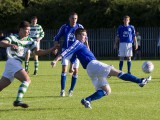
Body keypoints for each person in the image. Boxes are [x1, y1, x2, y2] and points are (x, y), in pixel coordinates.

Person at [51, 28, 151, 109]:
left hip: (91, 69)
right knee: (118, 72)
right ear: (77, 35)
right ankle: (140, 81)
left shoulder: (81, 45)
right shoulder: (77, 43)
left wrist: (72, 67)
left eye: (86, 35)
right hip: (93, 65)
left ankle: (87, 100)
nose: (86, 37)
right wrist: (56, 60)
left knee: (107, 91)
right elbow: (65, 52)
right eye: (84, 35)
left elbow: (72, 57)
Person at [0, 21, 58, 108]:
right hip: (12, 61)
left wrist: (51, 49)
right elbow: (1, 43)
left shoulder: (30, 41)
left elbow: (38, 52)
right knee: (27, 80)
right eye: (27, 30)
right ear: (21, 29)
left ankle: (18, 100)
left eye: (29, 30)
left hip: (14, 64)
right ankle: (18, 100)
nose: (28, 32)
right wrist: (10, 44)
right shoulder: (13, 37)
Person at [53, 12, 90, 97]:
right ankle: (62, 90)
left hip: (76, 51)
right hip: (66, 50)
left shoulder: (80, 27)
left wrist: (87, 46)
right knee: (64, 69)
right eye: (72, 18)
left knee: (75, 71)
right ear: (69, 19)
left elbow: (85, 37)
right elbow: (57, 37)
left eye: (75, 18)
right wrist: (55, 47)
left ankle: (71, 90)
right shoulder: (64, 27)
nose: (74, 20)